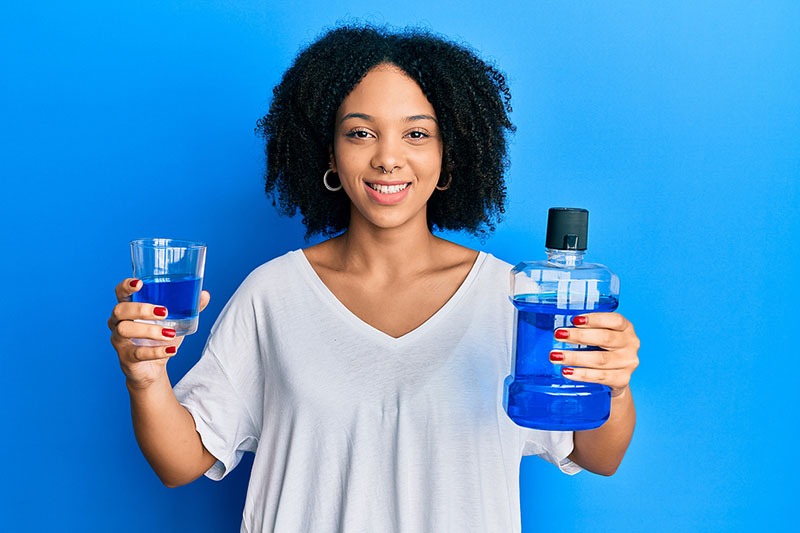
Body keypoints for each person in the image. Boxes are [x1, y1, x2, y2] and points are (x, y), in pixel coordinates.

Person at [108, 25, 639, 532]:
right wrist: (145, 377)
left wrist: (614, 387)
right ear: (330, 153)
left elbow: (598, 455)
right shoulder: (272, 293)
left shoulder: (515, 298)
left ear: (447, 155)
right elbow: (180, 462)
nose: (388, 158)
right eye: (361, 133)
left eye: (416, 134)